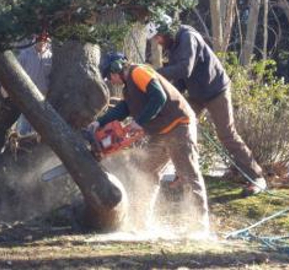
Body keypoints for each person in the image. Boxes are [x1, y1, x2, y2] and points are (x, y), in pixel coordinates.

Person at [88, 53, 210, 232]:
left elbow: (158, 97)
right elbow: (124, 108)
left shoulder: (139, 72)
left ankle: (200, 226)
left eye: (109, 75)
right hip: (160, 132)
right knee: (146, 171)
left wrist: (140, 121)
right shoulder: (129, 89)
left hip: (178, 125)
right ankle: (141, 222)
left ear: (116, 68)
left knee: (188, 173)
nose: (110, 80)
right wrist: (99, 122)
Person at [146, 15, 267, 196]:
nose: (158, 42)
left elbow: (185, 68)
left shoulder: (188, 37)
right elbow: (179, 81)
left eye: (158, 37)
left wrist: (154, 74)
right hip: (196, 94)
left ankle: (257, 178)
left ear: (166, 31)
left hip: (216, 90)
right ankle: (182, 176)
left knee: (227, 134)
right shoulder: (172, 47)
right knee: (177, 129)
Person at [1, 33, 52, 134]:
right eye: (39, 40)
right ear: (35, 40)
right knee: (25, 126)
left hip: (43, 98)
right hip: (27, 96)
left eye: (44, 41)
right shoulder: (25, 55)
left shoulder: (50, 57)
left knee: (40, 127)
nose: (41, 43)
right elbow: (14, 73)